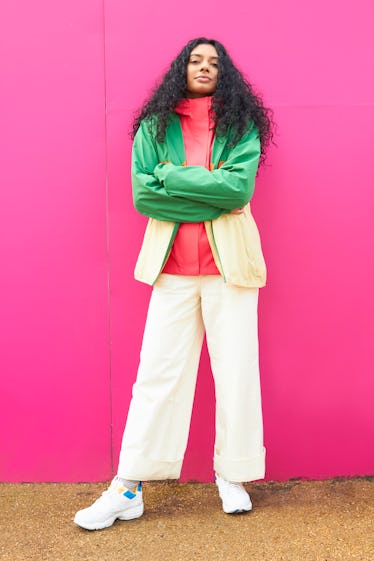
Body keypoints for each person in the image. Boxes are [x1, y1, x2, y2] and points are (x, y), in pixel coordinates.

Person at [74, 37, 274, 530]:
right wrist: (208, 191)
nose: (204, 67)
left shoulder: (240, 124)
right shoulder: (154, 126)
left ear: (224, 73)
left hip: (232, 269)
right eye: (196, 60)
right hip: (173, 271)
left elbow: (239, 189)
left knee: (236, 373)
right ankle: (128, 487)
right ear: (181, 69)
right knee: (156, 377)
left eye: (214, 63)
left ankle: (233, 474)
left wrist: (172, 176)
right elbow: (145, 196)